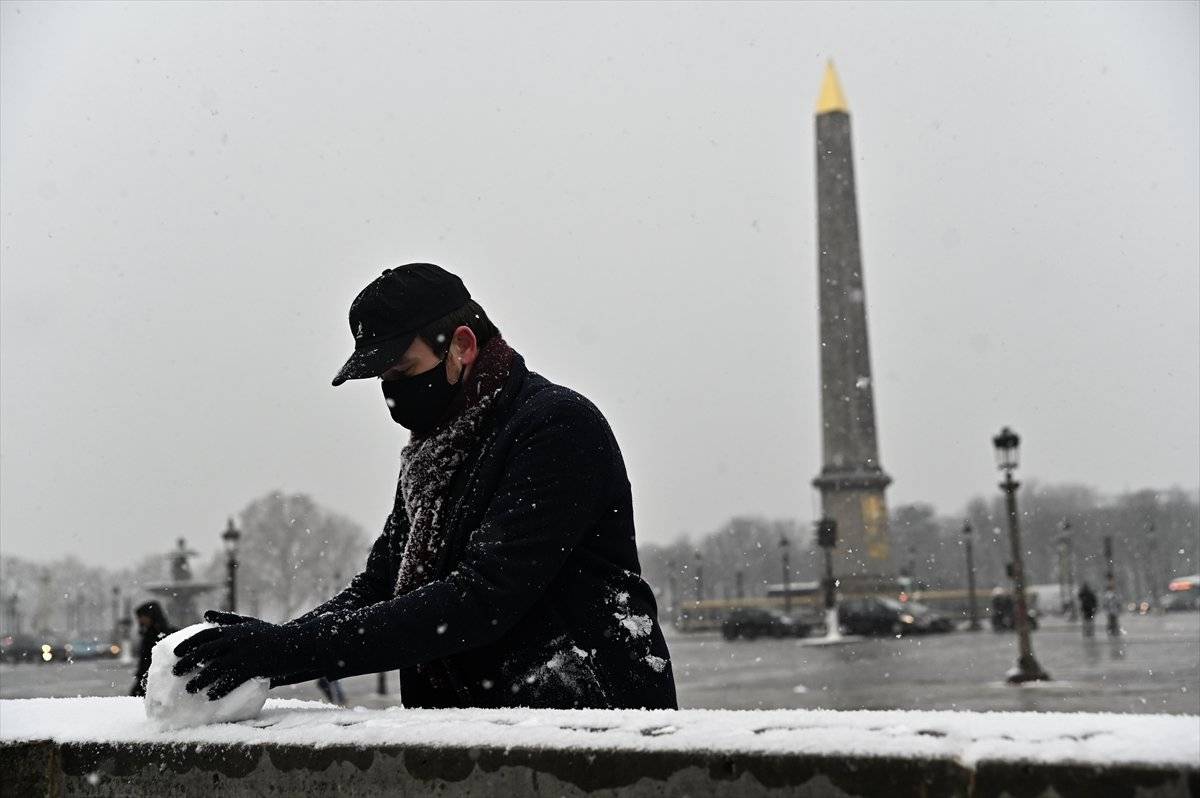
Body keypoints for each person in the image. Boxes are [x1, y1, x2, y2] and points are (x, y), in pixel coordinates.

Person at [174, 263, 677, 710]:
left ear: (462, 344)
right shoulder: (434, 452)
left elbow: (482, 598)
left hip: (584, 721)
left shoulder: (557, 427)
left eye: (403, 370)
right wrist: (272, 648)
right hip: (483, 731)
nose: (392, 395)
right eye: (382, 379)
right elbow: (380, 585)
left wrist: (290, 651)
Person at [129, 600, 176, 697]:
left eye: (142, 617)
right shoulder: (150, 633)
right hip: (150, 679)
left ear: (151, 616)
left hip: (157, 679)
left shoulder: (158, 634)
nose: (140, 621)